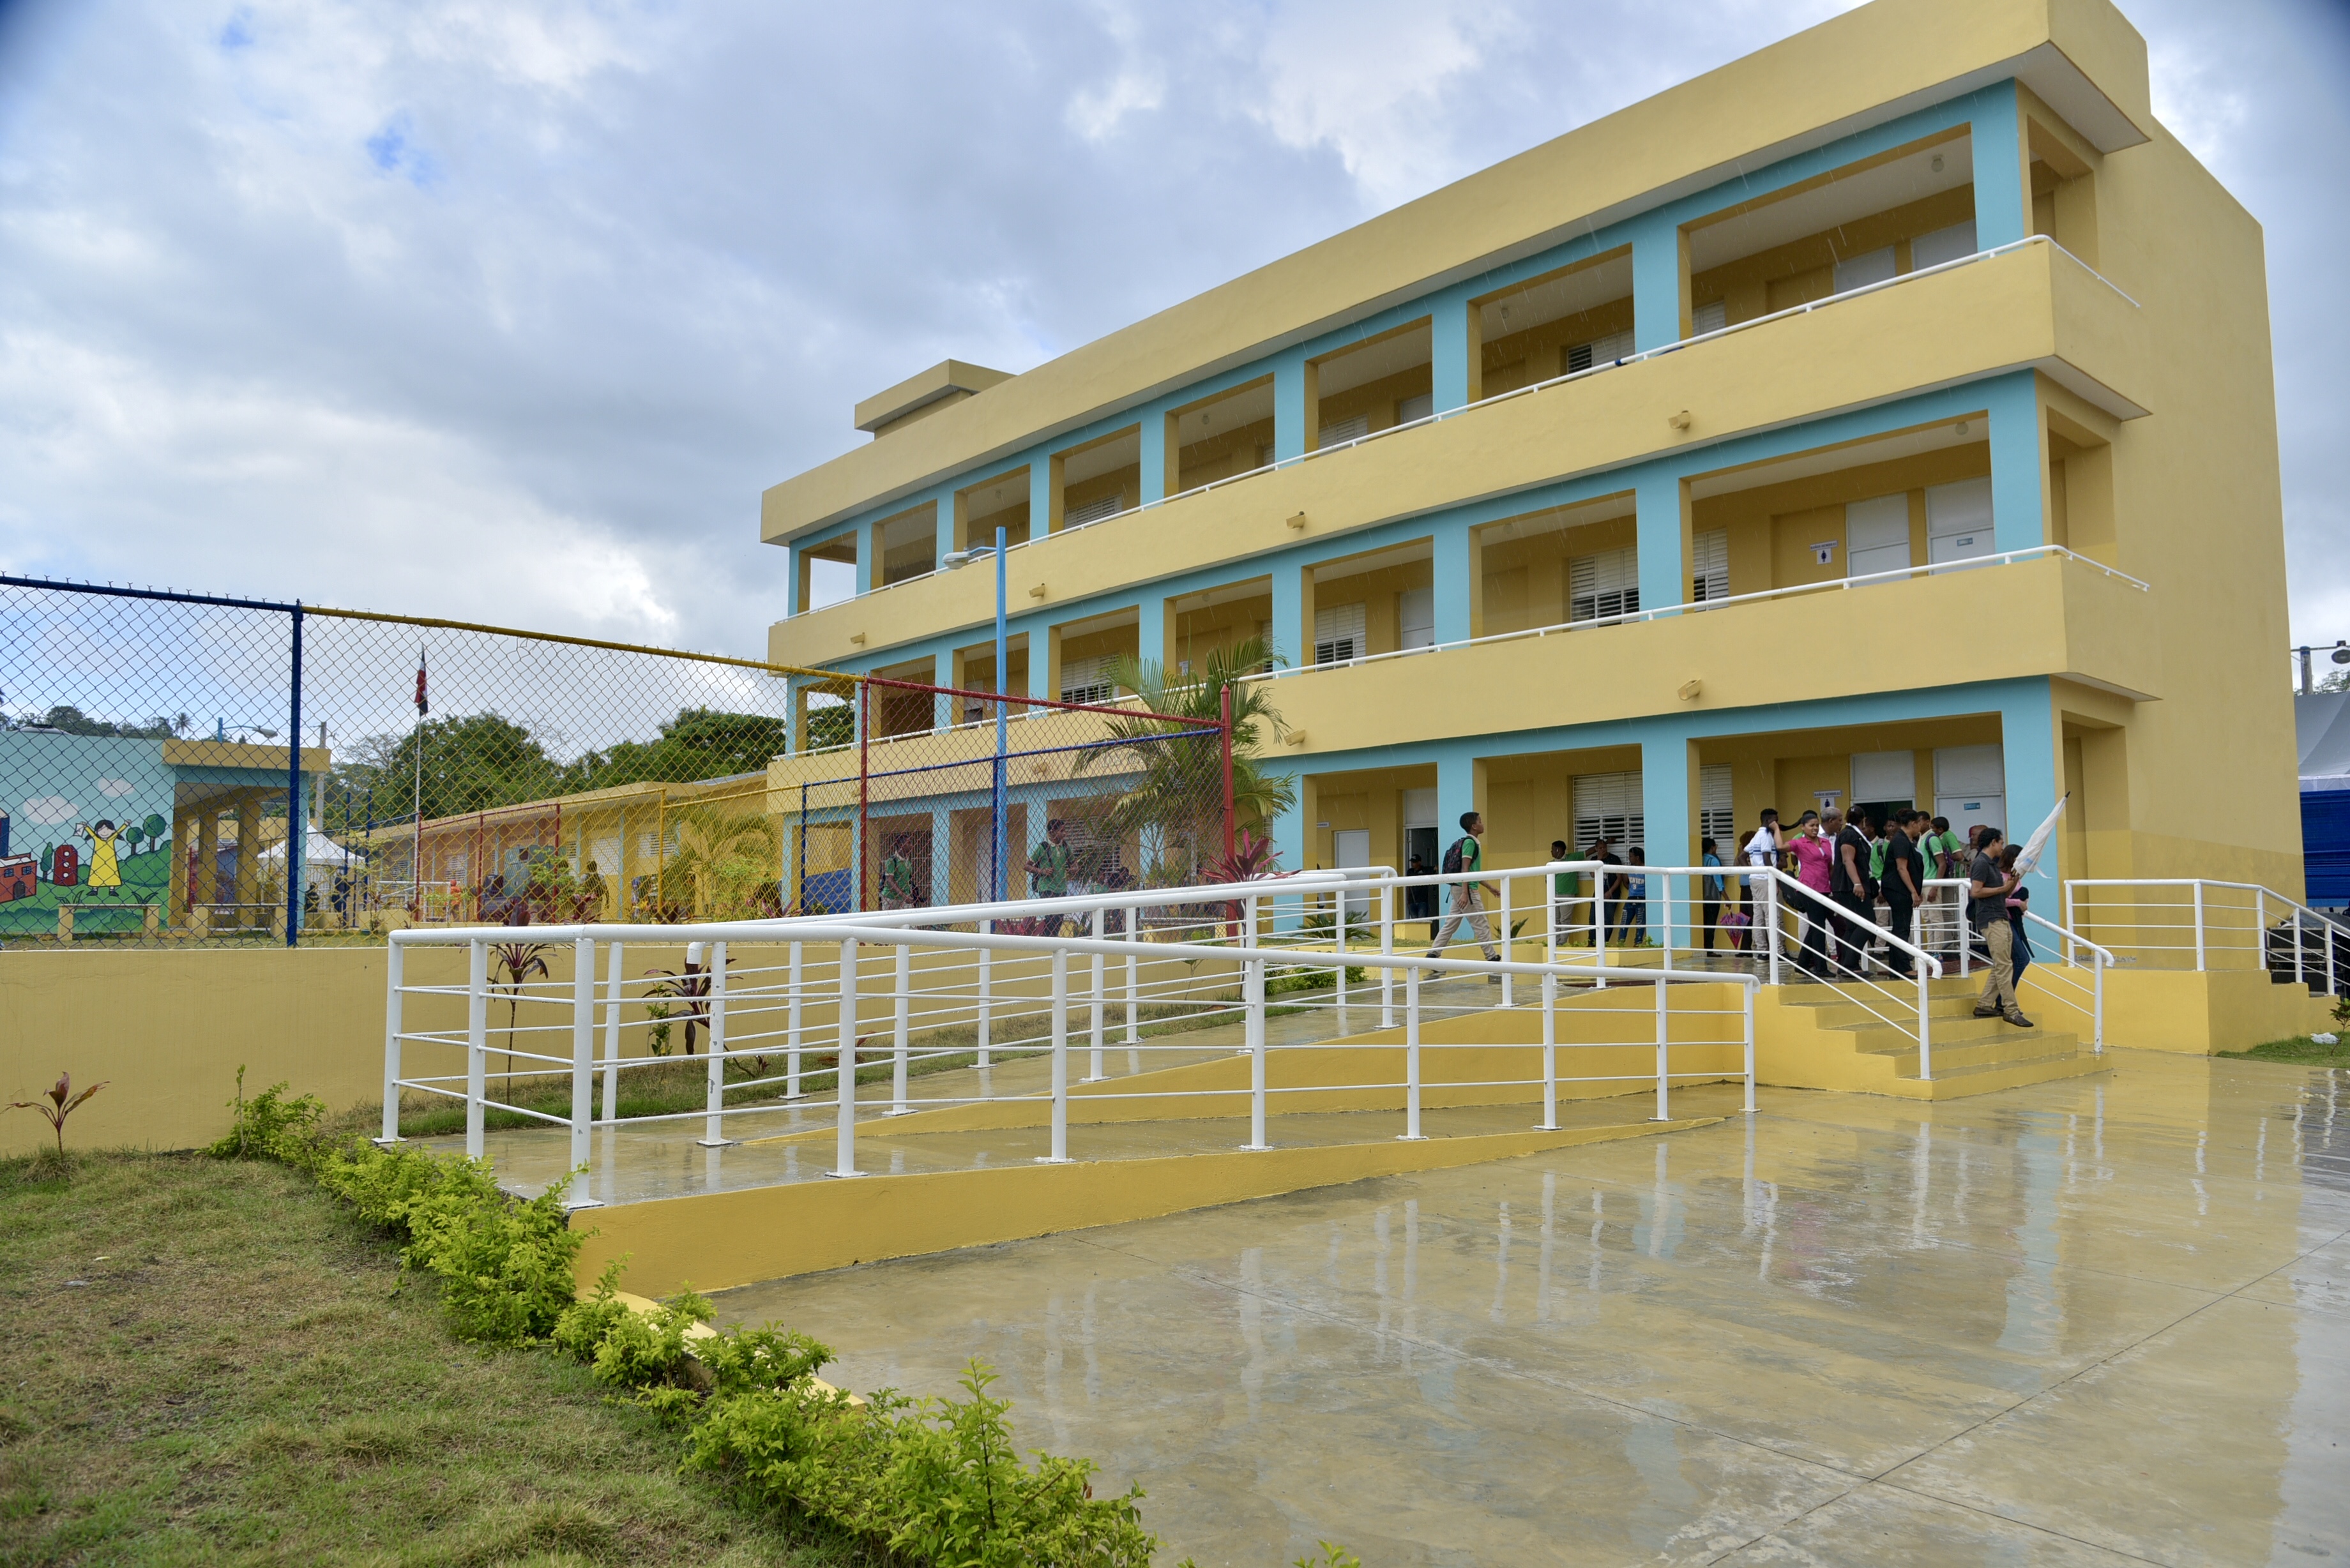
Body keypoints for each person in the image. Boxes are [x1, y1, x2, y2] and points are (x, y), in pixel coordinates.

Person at [1426, 810, 1503, 979]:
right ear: (1474, 826)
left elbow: (1474, 872)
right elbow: (1465, 869)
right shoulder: (1470, 843)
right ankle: (1492, 957)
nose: (1483, 824)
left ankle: (1433, 954)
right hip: (1465, 890)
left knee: (1451, 924)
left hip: (1460, 888)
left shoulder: (1472, 842)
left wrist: (1489, 887)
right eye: (1480, 821)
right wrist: (1466, 893)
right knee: (1480, 923)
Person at [1968, 827, 2031, 1025]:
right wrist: (2003, 888)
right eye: (2001, 843)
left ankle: (1985, 1004)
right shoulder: (1981, 863)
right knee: (2005, 965)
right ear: (1993, 842)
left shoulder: (1992, 865)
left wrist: (2013, 882)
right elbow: (1976, 892)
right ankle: (2011, 1010)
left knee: (2002, 965)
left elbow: (2002, 894)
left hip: (2000, 917)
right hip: (1990, 919)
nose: (2003, 847)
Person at [1826, 807, 1877, 976]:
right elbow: (1848, 860)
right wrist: (1857, 884)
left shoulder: (1852, 835)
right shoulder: (1849, 835)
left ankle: (1846, 963)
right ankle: (1850, 964)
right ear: (1863, 821)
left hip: (1849, 885)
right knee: (1867, 923)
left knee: (1853, 925)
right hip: (1849, 887)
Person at [1785, 811, 1835, 978]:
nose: (1814, 828)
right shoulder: (1800, 843)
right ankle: (1821, 967)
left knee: (1816, 926)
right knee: (1818, 928)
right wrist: (1776, 829)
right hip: (1808, 887)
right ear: (1803, 827)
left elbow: (1830, 866)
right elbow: (1781, 847)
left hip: (1824, 887)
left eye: (1816, 825)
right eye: (1811, 825)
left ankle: (1803, 963)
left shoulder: (1825, 842)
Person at [1878, 811, 1923, 979]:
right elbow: (1901, 868)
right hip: (1899, 890)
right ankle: (1903, 967)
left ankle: (1897, 966)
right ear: (1913, 824)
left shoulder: (1906, 841)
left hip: (1900, 889)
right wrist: (1913, 892)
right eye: (1919, 823)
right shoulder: (1901, 841)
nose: (1920, 827)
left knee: (1901, 926)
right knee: (1902, 927)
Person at [2001, 844, 2035, 993]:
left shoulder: (2016, 876)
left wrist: (2022, 903)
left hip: (2015, 921)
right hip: (2005, 920)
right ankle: (2005, 997)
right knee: (2022, 959)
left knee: (2015, 961)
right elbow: (1999, 899)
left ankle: (2005, 998)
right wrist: (2018, 903)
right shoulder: (2001, 876)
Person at [1027, 819, 1072, 931]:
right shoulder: (1043, 847)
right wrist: (1042, 871)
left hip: (1061, 887)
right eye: (1061, 831)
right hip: (1046, 887)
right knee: (1051, 917)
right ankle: (1047, 940)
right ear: (1052, 832)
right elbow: (1027, 866)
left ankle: (1051, 941)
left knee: (1059, 919)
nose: (1064, 834)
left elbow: (1075, 865)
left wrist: (1073, 869)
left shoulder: (1065, 847)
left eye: (1065, 830)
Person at [1615, 847, 1649, 947]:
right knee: (1624, 922)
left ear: (1637, 858)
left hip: (1642, 899)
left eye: (1631, 857)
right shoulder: (1629, 869)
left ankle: (1638, 943)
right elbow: (1626, 883)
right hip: (1631, 898)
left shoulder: (1645, 869)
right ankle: (1620, 943)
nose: (1629, 859)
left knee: (1640, 923)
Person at [879, 836, 921, 910]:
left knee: (909, 919)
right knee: (890, 921)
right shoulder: (892, 860)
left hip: (905, 897)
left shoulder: (908, 861)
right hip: (891, 897)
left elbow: (908, 879)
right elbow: (890, 881)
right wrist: (903, 895)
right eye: (909, 843)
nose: (911, 845)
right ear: (901, 845)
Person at [1699, 836, 1725, 953]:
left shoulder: (1701, 859)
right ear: (1712, 848)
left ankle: (1705, 948)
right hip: (1713, 897)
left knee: (1704, 923)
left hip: (1702, 896)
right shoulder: (1714, 861)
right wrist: (1727, 898)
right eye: (1716, 847)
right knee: (1711, 923)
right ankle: (1710, 950)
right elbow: (1718, 881)